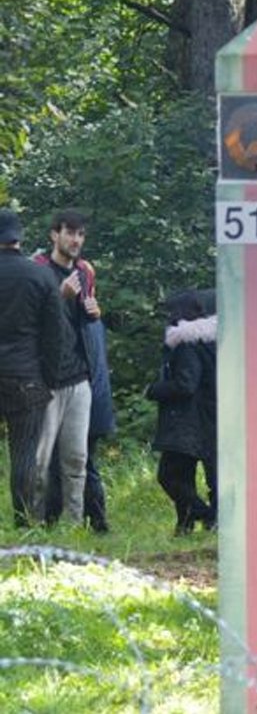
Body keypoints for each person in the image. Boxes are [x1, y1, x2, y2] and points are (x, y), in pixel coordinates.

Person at [0, 208, 70, 527]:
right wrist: (51, 380)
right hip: (26, 376)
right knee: (25, 451)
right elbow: (56, 336)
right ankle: (25, 522)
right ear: (19, 238)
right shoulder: (39, 275)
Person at [33, 209, 97, 529]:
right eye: (70, 232)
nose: (76, 240)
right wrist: (60, 297)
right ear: (54, 235)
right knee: (40, 460)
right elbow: (30, 323)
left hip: (79, 377)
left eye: (81, 234)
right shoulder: (38, 271)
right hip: (46, 380)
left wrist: (94, 313)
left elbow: (79, 325)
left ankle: (74, 527)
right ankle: (35, 524)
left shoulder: (85, 272)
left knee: (77, 460)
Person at [146, 289, 218, 534]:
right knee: (189, 475)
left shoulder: (186, 344)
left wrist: (154, 389)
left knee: (169, 475)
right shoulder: (209, 342)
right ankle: (185, 525)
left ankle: (205, 515)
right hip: (206, 417)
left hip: (187, 420)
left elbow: (186, 384)